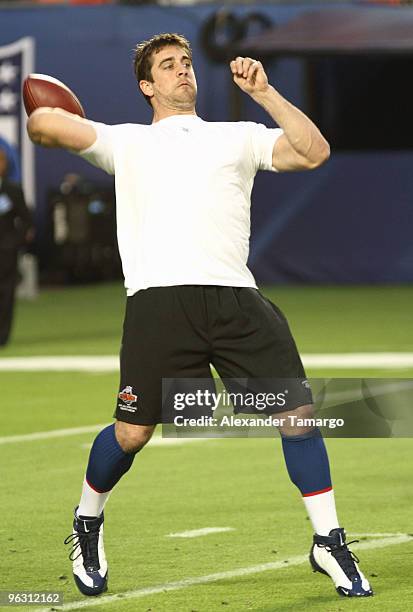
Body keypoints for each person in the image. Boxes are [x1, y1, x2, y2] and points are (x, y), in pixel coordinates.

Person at [26, 33, 373, 599]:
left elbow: (313, 152)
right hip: (160, 302)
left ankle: (329, 541)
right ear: (147, 86)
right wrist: (52, 115)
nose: (183, 71)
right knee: (134, 432)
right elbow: (45, 125)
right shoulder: (126, 143)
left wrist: (266, 93)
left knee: (299, 416)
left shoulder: (238, 137)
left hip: (237, 299)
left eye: (186, 62)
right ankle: (87, 521)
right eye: (168, 66)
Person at [0, 147, 33, 346]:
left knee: (5, 294)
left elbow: (27, 221)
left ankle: (2, 336)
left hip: (6, 254)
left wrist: (13, 243)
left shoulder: (13, 190)